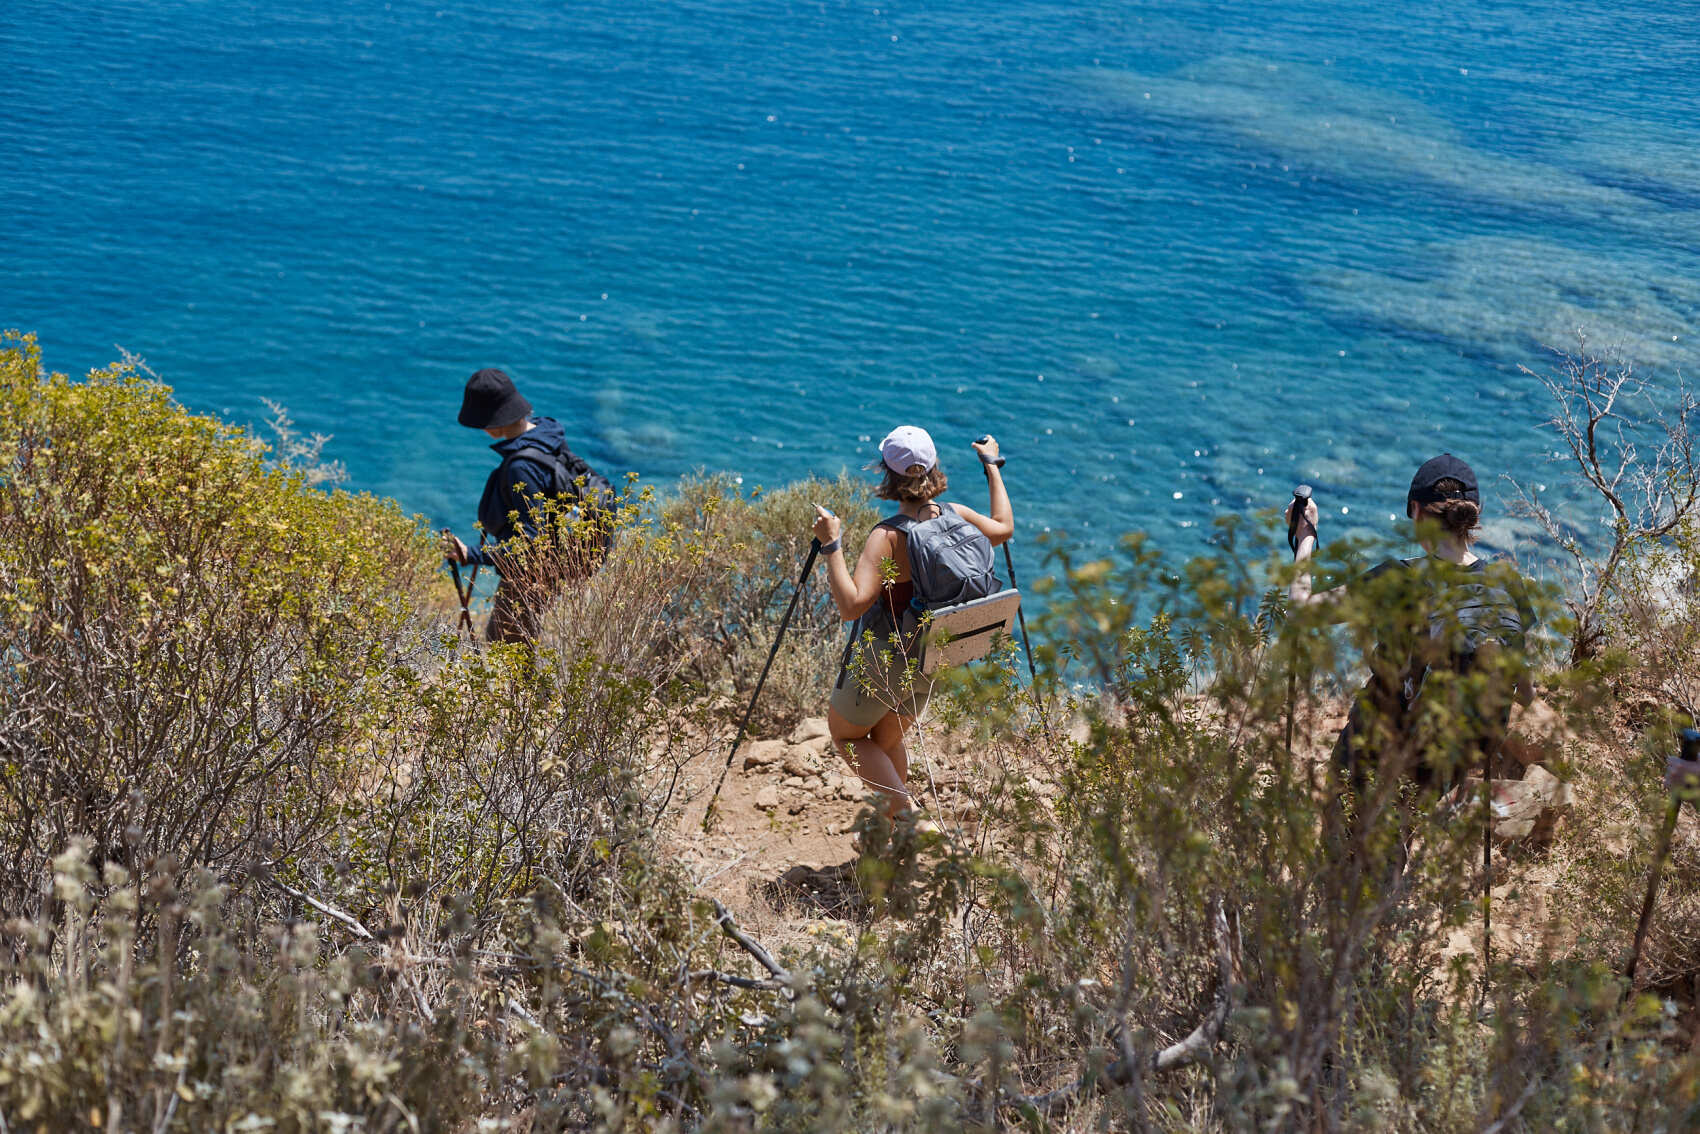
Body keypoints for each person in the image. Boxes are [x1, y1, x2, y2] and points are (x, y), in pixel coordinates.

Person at [1287, 454, 1537, 802]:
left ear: (1417, 511)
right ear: (1472, 516)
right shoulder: (1506, 582)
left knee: (1350, 830)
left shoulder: (1398, 578)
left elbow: (1301, 612)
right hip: (1446, 766)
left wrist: (1305, 537)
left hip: (1373, 754)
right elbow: (1526, 694)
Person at [809, 427, 1013, 820]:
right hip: (933, 656)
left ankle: (911, 822)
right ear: (933, 466)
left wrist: (831, 544)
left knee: (847, 737)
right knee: (885, 743)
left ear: (887, 472)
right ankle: (898, 835)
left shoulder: (888, 536)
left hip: (886, 659)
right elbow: (1003, 528)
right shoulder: (957, 515)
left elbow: (851, 606)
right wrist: (992, 465)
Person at [441, 367, 613, 643]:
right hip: (557, 557)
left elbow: (531, 542)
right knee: (510, 638)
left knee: (505, 642)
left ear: (493, 421)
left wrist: (470, 553)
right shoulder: (547, 433)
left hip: (535, 571)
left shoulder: (521, 467)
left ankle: (529, 675)